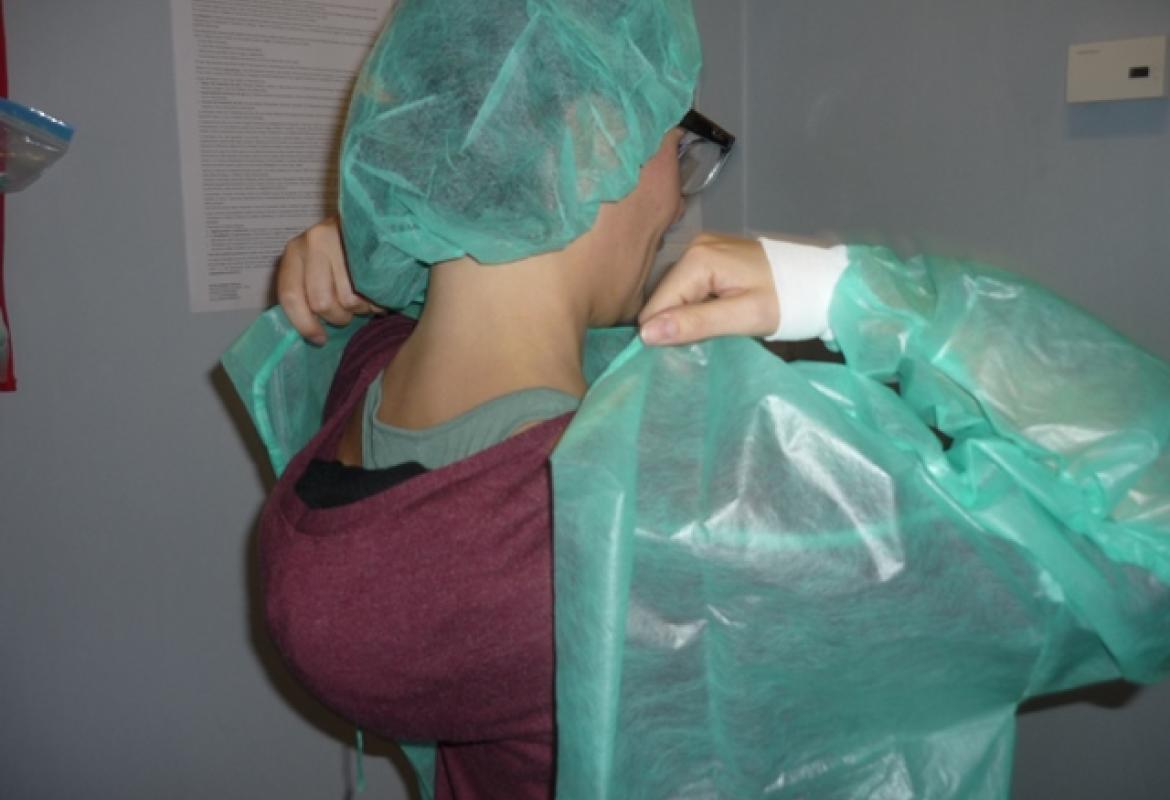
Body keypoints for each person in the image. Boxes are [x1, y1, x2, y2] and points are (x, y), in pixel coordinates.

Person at [231, 0, 1170, 797]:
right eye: (671, 138)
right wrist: (858, 292)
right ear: (584, 144)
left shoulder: (358, 391)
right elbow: (1146, 544)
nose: (679, 199)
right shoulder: (683, 519)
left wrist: (386, 261)